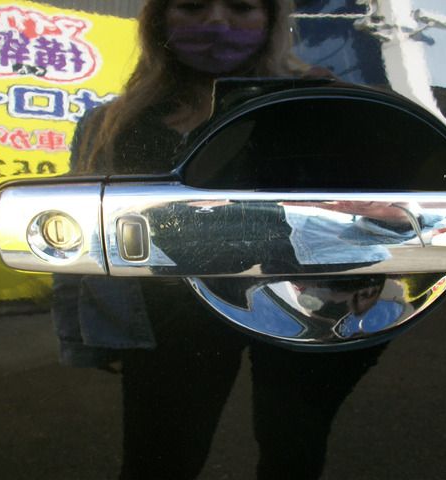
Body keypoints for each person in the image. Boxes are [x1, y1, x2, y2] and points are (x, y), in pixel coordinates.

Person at [54, 1, 388, 478]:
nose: (216, 21)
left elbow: (380, 214)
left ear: (270, 22)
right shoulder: (113, 123)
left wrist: (348, 108)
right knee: (159, 462)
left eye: (241, 6)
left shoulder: (321, 105)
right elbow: (79, 234)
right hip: (171, 318)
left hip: (303, 306)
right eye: (192, 6)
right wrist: (88, 334)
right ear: (159, 21)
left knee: (293, 446)